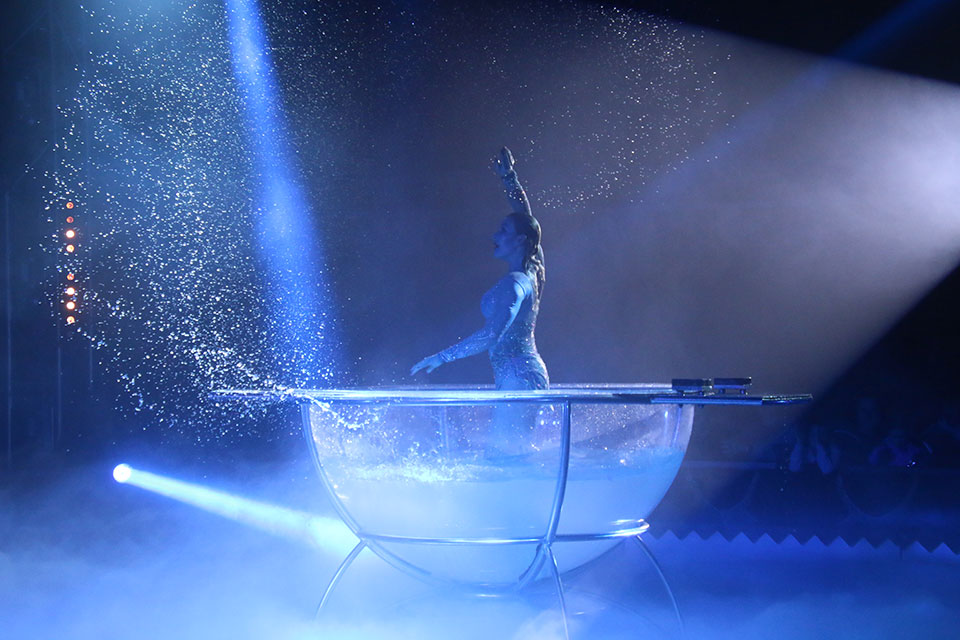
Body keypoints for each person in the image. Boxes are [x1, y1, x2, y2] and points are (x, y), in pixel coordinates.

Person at [410, 147, 548, 391]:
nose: (495, 236)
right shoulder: (534, 266)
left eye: (503, 231)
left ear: (519, 241)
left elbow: (491, 334)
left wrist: (442, 357)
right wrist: (509, 178)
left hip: (518, 376)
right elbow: (526, 219)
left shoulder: (514, 284)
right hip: (520, 372)